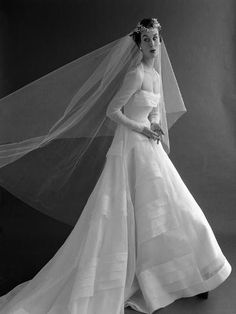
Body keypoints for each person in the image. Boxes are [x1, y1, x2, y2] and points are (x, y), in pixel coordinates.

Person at [0, 18, 231, 314]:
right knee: (134, 211)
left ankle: (192, 275)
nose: (152, 45)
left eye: (156, 39)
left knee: (173, 207)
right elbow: (113, 112)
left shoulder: (156, 76)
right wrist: (142, 128)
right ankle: (148, 275)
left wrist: (156, 125)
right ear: (138, 44)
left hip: (149, 146)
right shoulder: (135, 74)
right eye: (146, 39)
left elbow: (153, 111)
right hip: (131, 148)